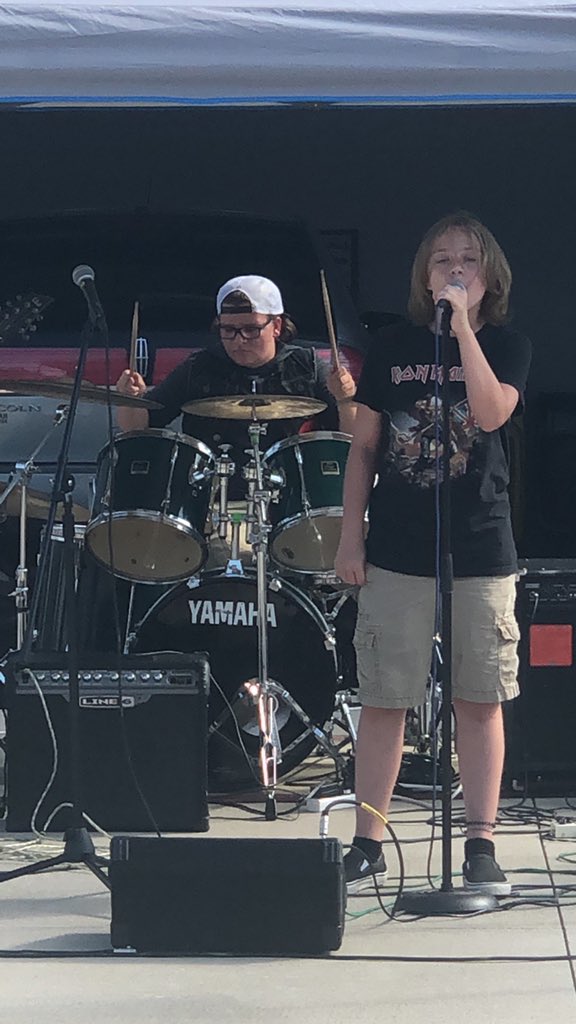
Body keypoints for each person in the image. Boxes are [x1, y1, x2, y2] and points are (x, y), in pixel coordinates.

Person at [334, 212, 532, 896]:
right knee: (386, 696)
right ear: (423, 275)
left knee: (479, 698)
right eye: (441, 259)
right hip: (396, 548)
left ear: (488, 276)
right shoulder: (390, 349)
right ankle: (367, 839)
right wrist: (349, 536)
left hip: (481, 546)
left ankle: (480, 841)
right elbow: (364, 449)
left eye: (467, 261)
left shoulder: (507, 345)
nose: (453, 269)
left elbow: (490, 413)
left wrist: (465, 330)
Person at [116, 275, 357, 495]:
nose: (238, 340)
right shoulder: (199, 367)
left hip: (294, 498)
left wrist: (346, 399)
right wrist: (129, 399)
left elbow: (353, 437)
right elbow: (139, 428)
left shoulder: (308, 366)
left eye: (251, 329)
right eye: (228, 330)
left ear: (276, 326)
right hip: (213, 501)